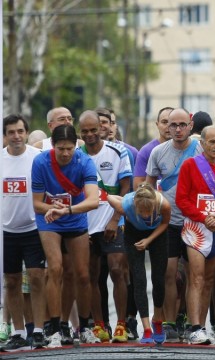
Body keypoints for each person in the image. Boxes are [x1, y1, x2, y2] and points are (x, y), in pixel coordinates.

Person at [31, 124, 100, 346]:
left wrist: (67, 210)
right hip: (49, 219)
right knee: (56, 268)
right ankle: (54, 327)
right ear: (53, 145)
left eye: (70, 148)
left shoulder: (84, 161)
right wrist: (52, 210)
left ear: (76, 146)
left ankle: (85, 324)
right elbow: (36, 203)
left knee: (82, 273)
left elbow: (93, 200)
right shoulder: (41, 162)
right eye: (61, 148)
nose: (65, 153)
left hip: (74, 216)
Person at [175, 126, 215, 345]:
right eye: (212, 142)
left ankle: (201, 327)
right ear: (201, 143)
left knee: (209, 279)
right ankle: (194, 327)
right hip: (195, 229)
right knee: (197, 276)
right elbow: (182, 200)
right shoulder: (190, 165)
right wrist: (204, 218)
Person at [146, 108, 203, 342]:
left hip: (195, 222)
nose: (177, 129)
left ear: (190, 125)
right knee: (168, 274)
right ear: (166, 127)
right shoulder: (158, 152)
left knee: (194, 275)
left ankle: (193, 324)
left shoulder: (201, 150)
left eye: (182, 124)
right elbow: (148, 187)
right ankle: (169, 323)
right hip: (168, 222)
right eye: (172, 125)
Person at [77, 111, 132, 343]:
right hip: (86, 225)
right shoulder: (76, 155)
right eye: (85, 131)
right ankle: (99, 324)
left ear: (102, 128)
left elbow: (126, 189)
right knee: (91, 275)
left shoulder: (119, 151)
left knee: (118, 271)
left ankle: (121, 324)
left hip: (114, 221)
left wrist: (114, 219)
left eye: (94, 130)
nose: (90, 135)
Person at [1, 115, 47, 350]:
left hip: (33, 229)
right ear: (5, 135)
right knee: (11, 282)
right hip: (6, 232)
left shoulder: (37, 158)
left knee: (37, 278)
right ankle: (18, 331)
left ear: (27, 133)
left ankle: (38, 330)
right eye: (11, 132)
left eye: (20, 131)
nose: (16, 136)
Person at [107, 183, 171, 344]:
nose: (144, 215)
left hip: (157, 234)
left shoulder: (164, 204)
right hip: (133, 233)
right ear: (135, 206)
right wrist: (119, 212)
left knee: (158, 278)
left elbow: (165, 223)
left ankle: (157, 319)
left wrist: (149, 240)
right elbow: (108, 197)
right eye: (141, 212)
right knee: (139, 279)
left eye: (148, 212)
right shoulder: (126, 205)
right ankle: (147, 328)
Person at [134, 107, 173, 189]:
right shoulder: (146, 151)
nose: (168, 126)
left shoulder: (188, 148)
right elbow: (138, 185)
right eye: (164, 122)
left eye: (172, 123)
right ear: (157, 124)